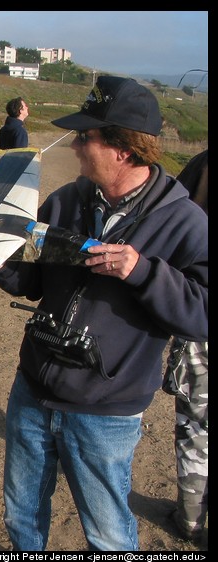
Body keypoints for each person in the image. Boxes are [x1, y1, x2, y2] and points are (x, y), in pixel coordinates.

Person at [0, 76, 208, 551]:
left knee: (107, 532)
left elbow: (201, 313)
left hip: (105, 411)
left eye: (85, 136)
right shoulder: (65, 201)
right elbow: (32, 281)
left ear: (123, 151)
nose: (73, 143)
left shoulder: (184, 221)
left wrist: (142, 271)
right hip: (32, 388)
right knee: (20, 511)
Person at [162, 149, 208, 544]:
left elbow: (178, 215)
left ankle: (191, 519)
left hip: (202, 321)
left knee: (196, 428)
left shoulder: (203, 164)